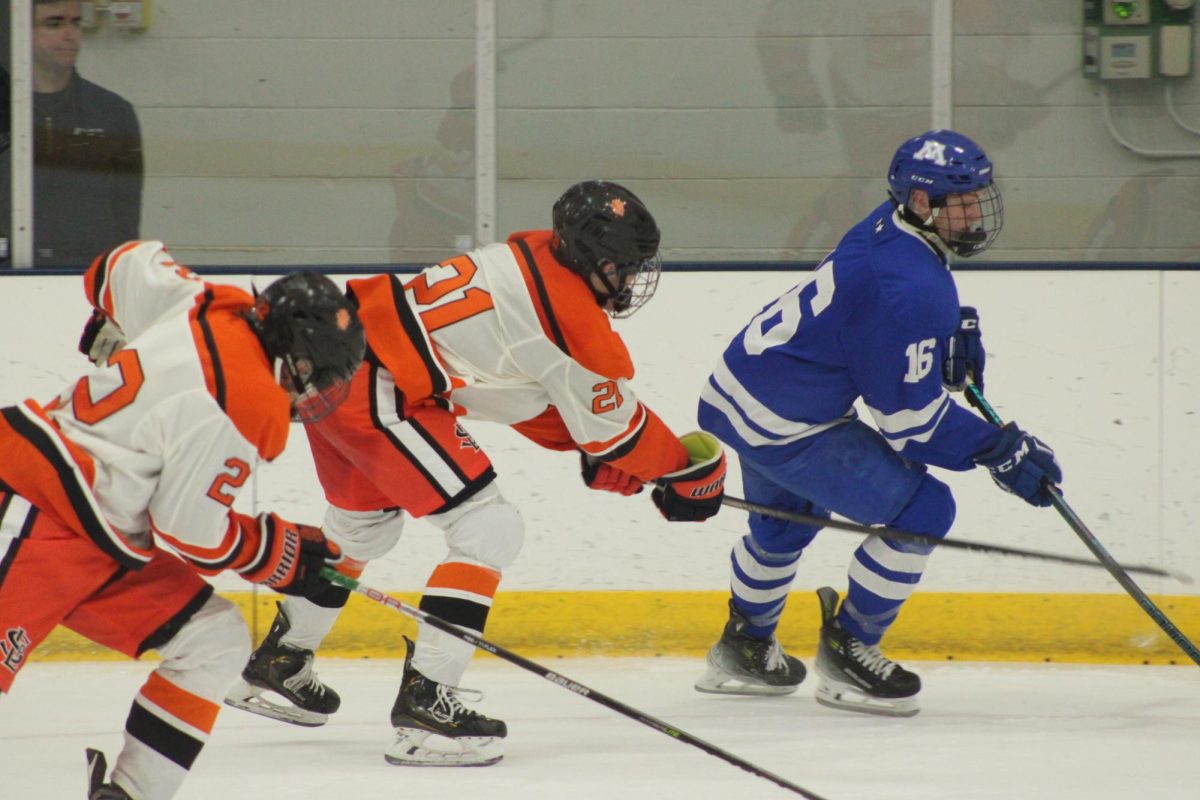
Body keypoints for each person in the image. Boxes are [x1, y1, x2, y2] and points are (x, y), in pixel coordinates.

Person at [223, 180, 728, 766]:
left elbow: (518, 394)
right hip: (383, 394)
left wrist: (591, 451)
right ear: (598, 262)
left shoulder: (532, 254)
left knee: (363, 531)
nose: (634, 280)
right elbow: (617, 429)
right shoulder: (573, 326)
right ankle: (427, 709)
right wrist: (680, 472)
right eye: (626, 267)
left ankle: (279, 664)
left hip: (340, 370)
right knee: (488, 528)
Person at [692, 130, 1063, 717]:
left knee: (788, 524)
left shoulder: (888, 228)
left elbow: (870, 309)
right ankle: (851, 649)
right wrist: (999, 450)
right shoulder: (912, 288)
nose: (975, 212)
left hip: (740, 391)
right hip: (788, 419)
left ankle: (743, 644)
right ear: (920, 203)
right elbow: (910, 429)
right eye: (960, 201)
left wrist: (948, 328)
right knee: (924, 509)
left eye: (976, 196)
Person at [0, 240, 366, 799]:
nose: (309, 391)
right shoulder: (249, 400)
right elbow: (188, 531)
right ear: (291, 350)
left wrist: (110, 322)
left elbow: (116, 264)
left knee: (214, 640)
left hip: (97, 536)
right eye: (311, 374)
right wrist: (276, 554)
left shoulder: (203, 299)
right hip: (30, 510)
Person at [0, 1, 143, 267]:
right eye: (54, 24)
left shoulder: (113, 114)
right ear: (21, 31)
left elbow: (126, 223)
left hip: (86, 280)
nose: (69, 34)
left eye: (76, 23)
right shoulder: (6, 113)